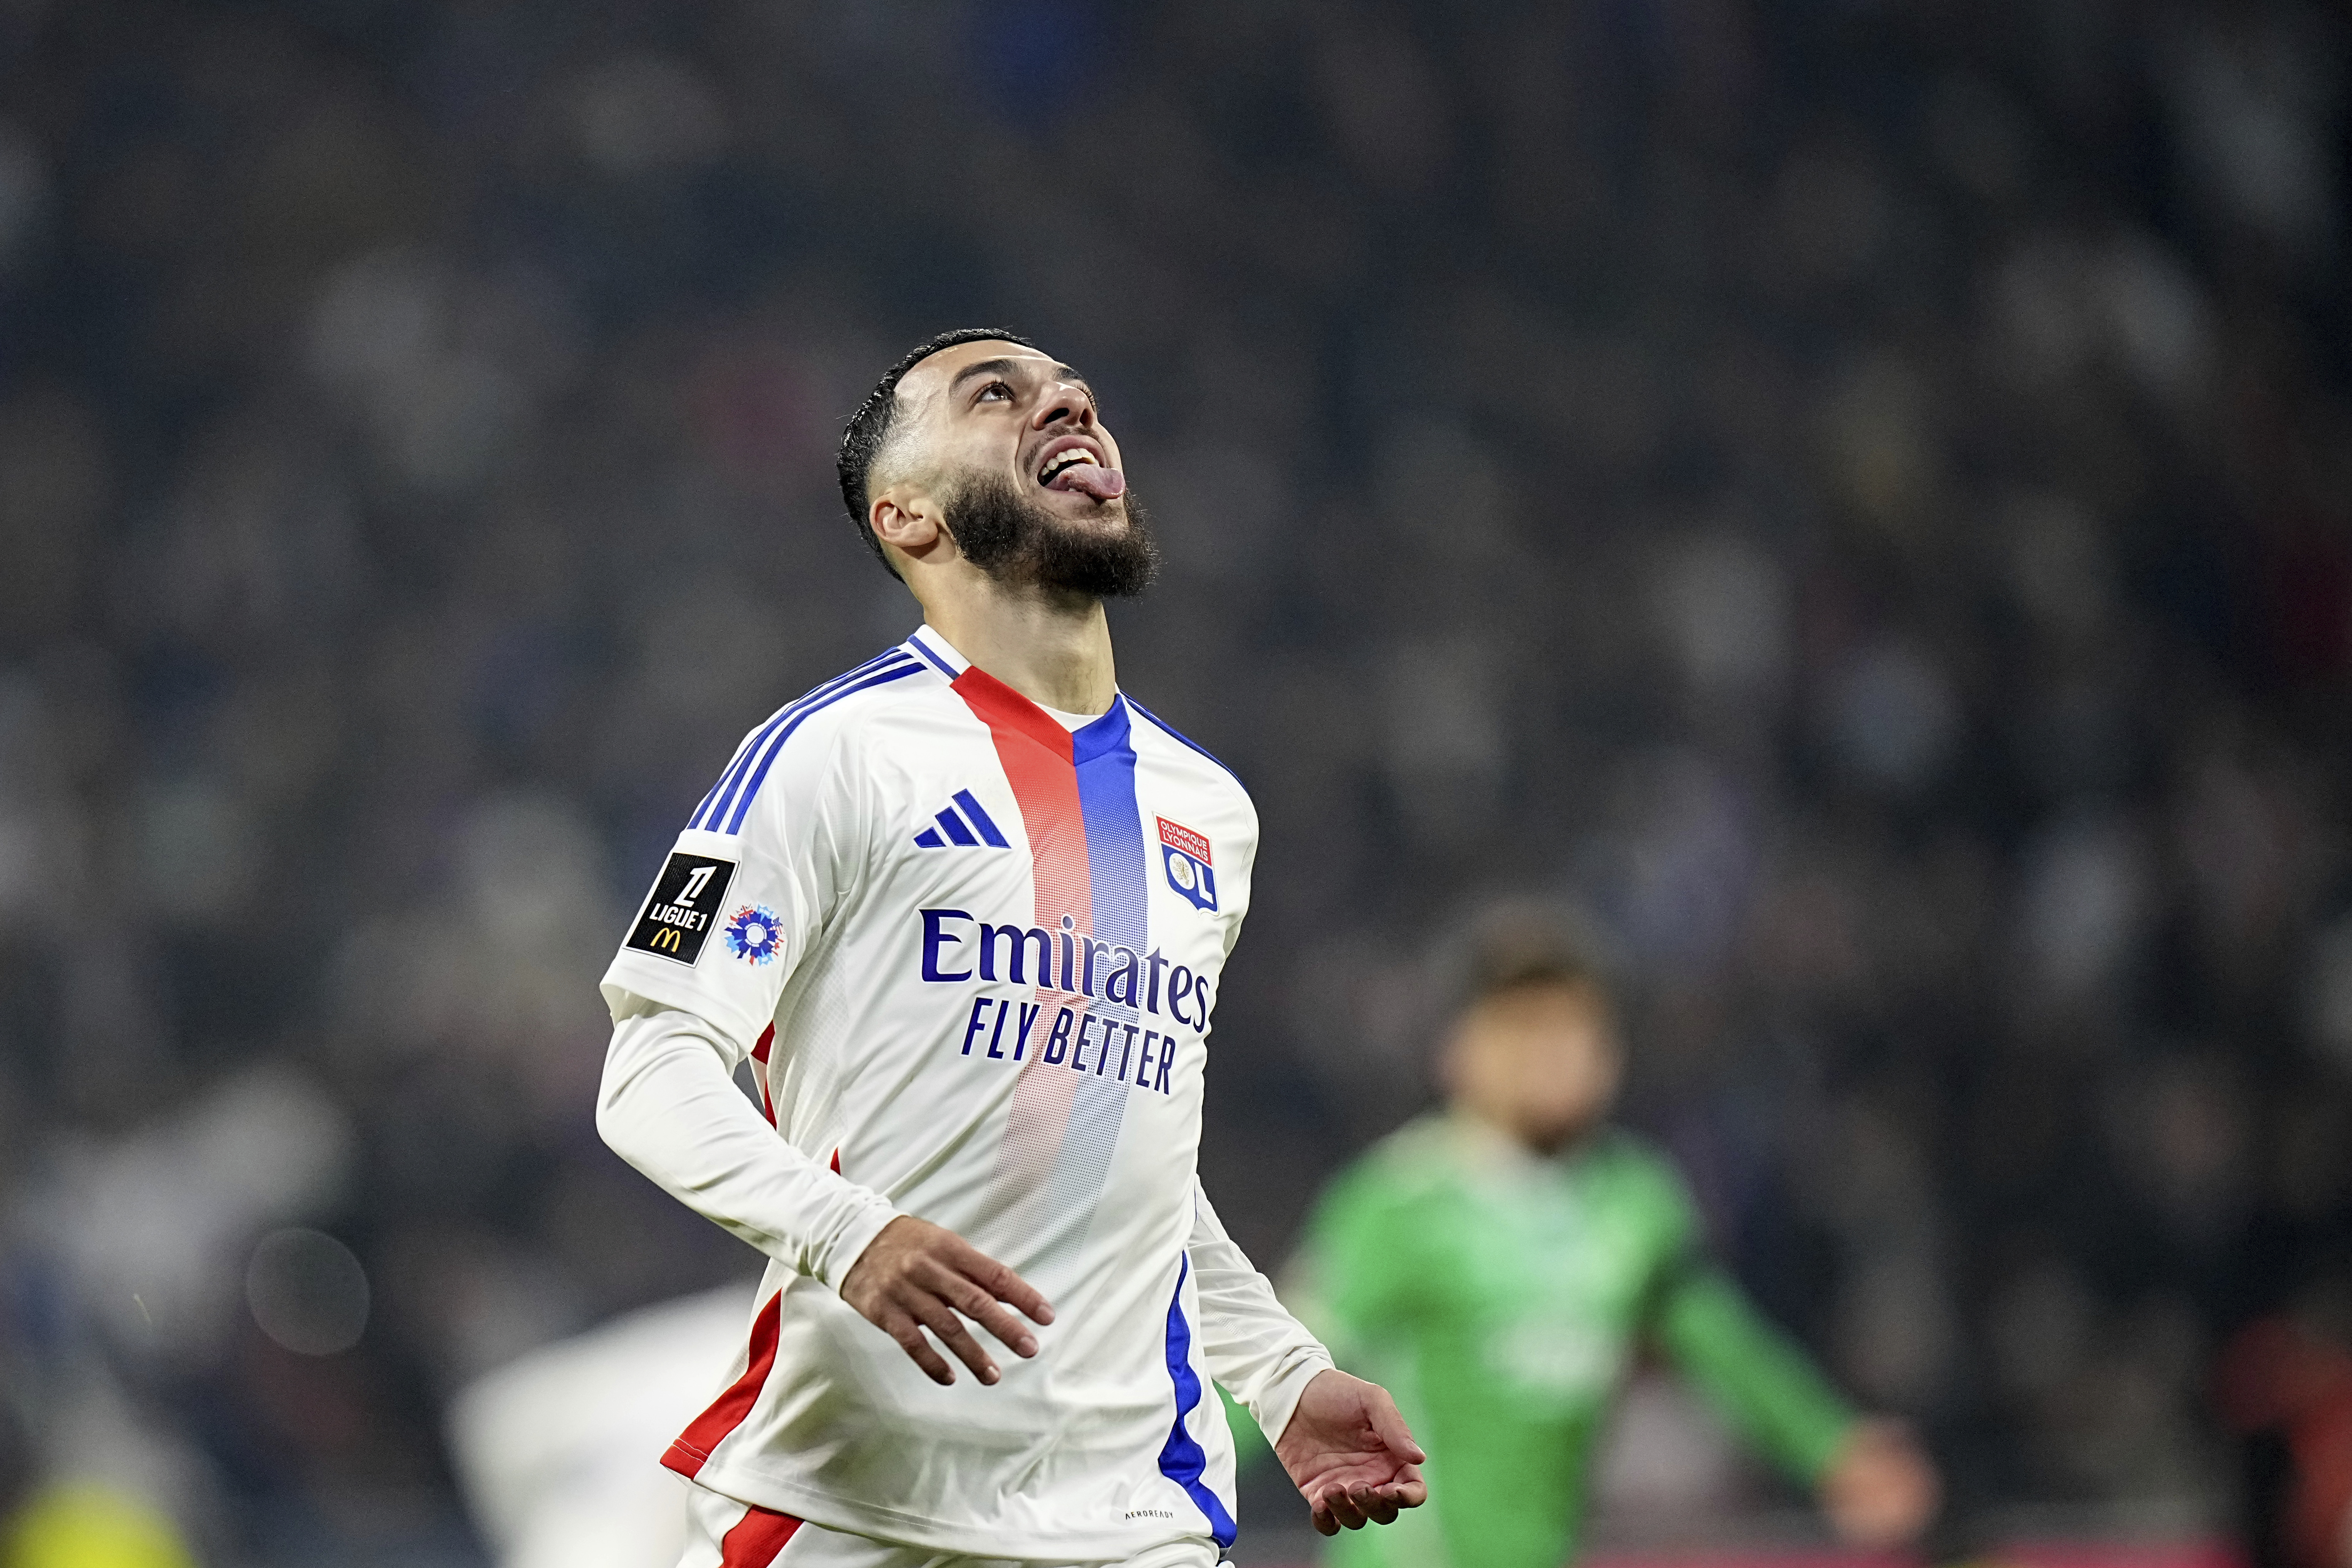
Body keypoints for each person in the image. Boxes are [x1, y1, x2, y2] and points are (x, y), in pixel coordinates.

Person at [595, 329, 1426, 1568]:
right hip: (853, 1498)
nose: (1068, 407)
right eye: (1000, 397)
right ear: (909, 517)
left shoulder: (1207, 809)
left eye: (1079, 397)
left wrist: (1282, 1374)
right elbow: (652, 1068)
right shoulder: (829, 754)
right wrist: (847, 1234)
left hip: (1135, 1514)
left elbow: (1132, 1155)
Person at [1282, 909, 1938, 1568]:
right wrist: (1178, 1491)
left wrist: (1833, 1451)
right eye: (1524, 1026)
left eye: (1575, 1024)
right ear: (1461, 1050)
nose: (1555, 1050)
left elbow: (1723, 1346)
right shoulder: (1397, 1206)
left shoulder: (1633, 1202)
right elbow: (1274, 1364)